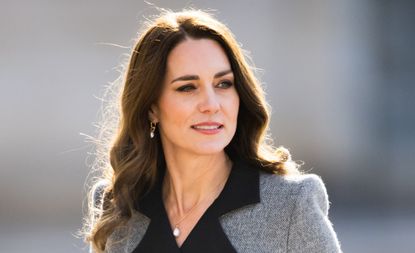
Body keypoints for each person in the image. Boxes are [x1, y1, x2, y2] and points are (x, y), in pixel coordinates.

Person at [83, 9, 342, 253]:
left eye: (223, 84)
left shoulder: (290, 205)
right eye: (187, 87)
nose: (211, 104)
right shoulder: (118, 205)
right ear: (151, 107)